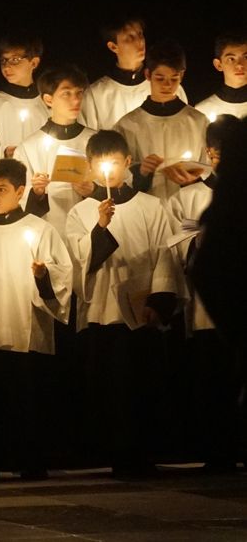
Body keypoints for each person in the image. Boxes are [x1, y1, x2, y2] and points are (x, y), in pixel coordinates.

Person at [65, 129, 181, 477]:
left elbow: (165, 253)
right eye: (101, 164)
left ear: (128, 162)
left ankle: (144, 453)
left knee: (144, 383)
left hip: (141, 309)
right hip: (104, 311)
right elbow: (80, 259)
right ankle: (117, 454)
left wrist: (158, 300)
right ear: (89, 166)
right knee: (110, 386)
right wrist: (100, 227)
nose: (109, 171)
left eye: (115, 163)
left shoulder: (151, 205)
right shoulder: (81, 212)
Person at [0, 158, 72, 481]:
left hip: (25, 327)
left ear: (20, 191)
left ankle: (30, 462)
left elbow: (62, 276)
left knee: (26, 400)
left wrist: (43, 277)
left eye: (2, 190)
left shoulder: (40, 229)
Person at [167, 116, 238, 471]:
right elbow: (179, 244)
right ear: (210, 153)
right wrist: (197, 243)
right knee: (213, 378)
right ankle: (217, 451)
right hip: (211, 310)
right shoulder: (190, 195)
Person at [113, 39, 209, 200]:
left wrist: (193, 180)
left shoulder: (198, 121)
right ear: (148, 75)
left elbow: (210, 170)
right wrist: (142, 171)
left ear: (182, 75)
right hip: (146, 208)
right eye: (160, 78)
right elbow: (118, 176)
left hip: (188, 206)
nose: (167, 85)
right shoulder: (128, 125)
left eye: (174, 78)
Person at [12, 64, 97, 237]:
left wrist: (93, 190)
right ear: (48, 99)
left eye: (79, 93)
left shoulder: (95, 141)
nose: (75, 100)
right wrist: (37, 193)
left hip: (89, 230)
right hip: (49, 232)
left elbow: (114, 187)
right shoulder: (28, 147)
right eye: (66, 94)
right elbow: (18, 200)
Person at [80, 16, 186, 130]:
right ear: (113, 47)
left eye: (140, 34)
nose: (139, 42)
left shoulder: (168, 88)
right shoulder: (95, 96)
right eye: (130, 38)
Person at [0, 33, 48, 157]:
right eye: (3, 60)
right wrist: (5, 154)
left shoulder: (49, 103)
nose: (6, 66)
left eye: (15, 60)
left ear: (34, 63)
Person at [194, 30, 247, 120]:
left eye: (246, 57)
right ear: (218, 65)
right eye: (231, 59)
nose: (239, 65)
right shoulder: (203, 111)